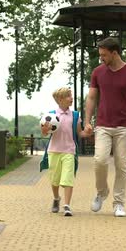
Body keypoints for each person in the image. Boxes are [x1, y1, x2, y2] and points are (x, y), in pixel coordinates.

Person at [83, 37, 126, 218]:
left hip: (124, 127)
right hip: (103, 125)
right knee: (100, 161)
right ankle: (101, 192)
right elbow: (91, 98)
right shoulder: (97, 72)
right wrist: (87, 121)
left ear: (114, 53)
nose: (101, 58)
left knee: (122, 165)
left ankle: (119, 203)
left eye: (104, 55)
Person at [40, 87, 91, 217]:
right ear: (60, 99)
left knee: (68, 179)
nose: (71, 98)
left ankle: (67, 205)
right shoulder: (50, 115)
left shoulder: (75, 115)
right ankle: (56, 198)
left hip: (69, 151)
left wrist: (88, 132)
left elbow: (79, 132)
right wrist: (45, 130)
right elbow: (45, 133)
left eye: (71, 95)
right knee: (54, 180)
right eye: (68, 96)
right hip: (54, 151)